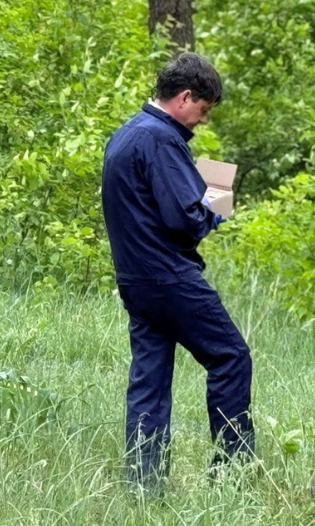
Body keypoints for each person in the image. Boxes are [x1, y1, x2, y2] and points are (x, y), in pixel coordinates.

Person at [101, 52, 255, 491]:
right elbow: (185, 222)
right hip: (170, 277)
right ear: (186, 97)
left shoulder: (125, 134)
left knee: (149, 382)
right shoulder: (160, 140)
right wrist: (220, 194)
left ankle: (143, 487)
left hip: (135, 281)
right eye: (203, 110)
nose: (202, 121)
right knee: (230, 357)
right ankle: (233, 476)